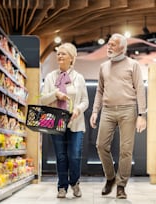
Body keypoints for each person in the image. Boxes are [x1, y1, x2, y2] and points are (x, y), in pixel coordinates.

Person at [90, 33, 147, 199]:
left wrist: (142, 114)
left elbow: (140, 89)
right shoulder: (103, 67)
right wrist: (95, 111)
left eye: (112, 45)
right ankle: (110, 178)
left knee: (126, 150)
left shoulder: (133, 65)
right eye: (108, 44)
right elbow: (100, 91)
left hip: (128, 109)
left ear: (122, 48)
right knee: (101, 145)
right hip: (107, 110)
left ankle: (121, 185)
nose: (108, 47)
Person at [40, 43, 89, 198]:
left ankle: (74, 182)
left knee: (74, 155)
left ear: (72, 58)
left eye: (63, 54)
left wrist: (78, 110)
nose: (59, 56)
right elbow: (42, 99)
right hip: (56, 121)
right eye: (58, 53)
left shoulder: (79, 78)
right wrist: (56, 94)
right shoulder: (50, 77)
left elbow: (85, 101)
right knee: (61, 156)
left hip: (76, 122)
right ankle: (62, 186)